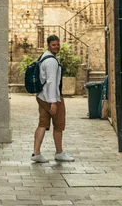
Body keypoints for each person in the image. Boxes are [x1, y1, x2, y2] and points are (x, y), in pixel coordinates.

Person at [31, 35, 75, 163]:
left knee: (42, 124)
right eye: (53, 45)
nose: (56, 47)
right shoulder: (51, 61)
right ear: (48, 45)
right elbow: (51, 82)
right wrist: (54, 102)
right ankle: (59, 153)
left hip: (42, 96)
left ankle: (36, 153)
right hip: (51, 98)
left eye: (57, 44)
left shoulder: (44, 57)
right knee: (58, 126)